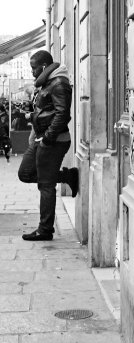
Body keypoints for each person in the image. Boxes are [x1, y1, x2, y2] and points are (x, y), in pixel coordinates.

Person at [18, 50, 78, 241]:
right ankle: (67, 176)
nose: (32, 72)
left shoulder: (59, 83)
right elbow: (47, 110)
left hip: (53, 141)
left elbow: (63, 114)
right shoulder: (47, 82)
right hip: (41, 138)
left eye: (34, 68)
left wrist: (47, 139)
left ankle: (45, 230)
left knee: (46, 185)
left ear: (43, 66)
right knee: (25, 173)